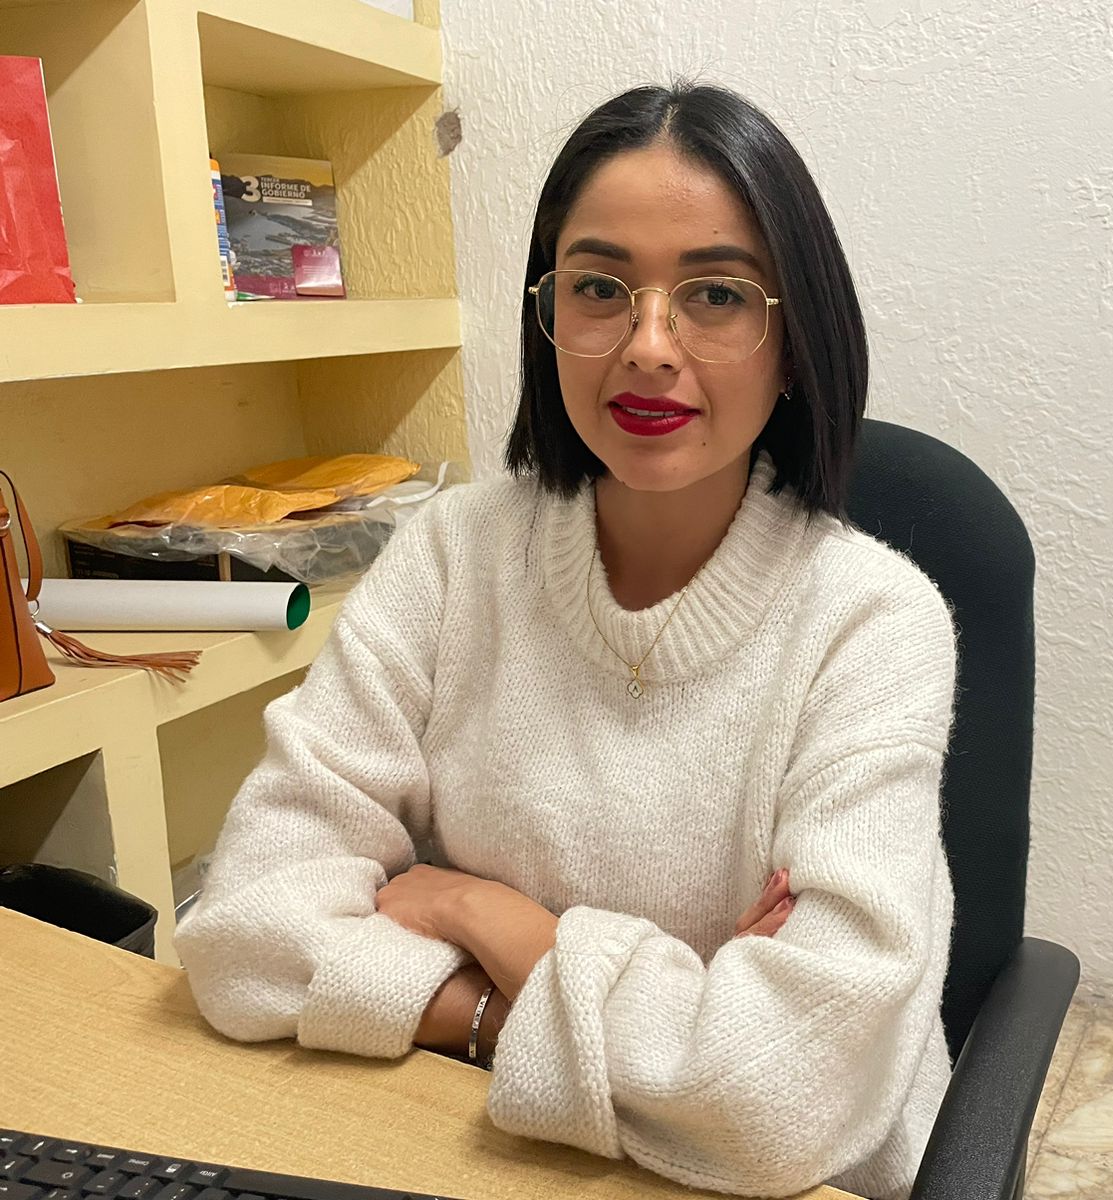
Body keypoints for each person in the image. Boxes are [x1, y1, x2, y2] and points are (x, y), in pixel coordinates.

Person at [174, 79, 960, 1200]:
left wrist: (477, 912)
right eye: (599, 287)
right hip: (446, 1135)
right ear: (547, 313)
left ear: (795, 342)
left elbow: (781, 1090)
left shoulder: (872, 622)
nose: (648, 346)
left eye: (717, 295)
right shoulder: (453, 554)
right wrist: (629, 1015)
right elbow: (244, 932)